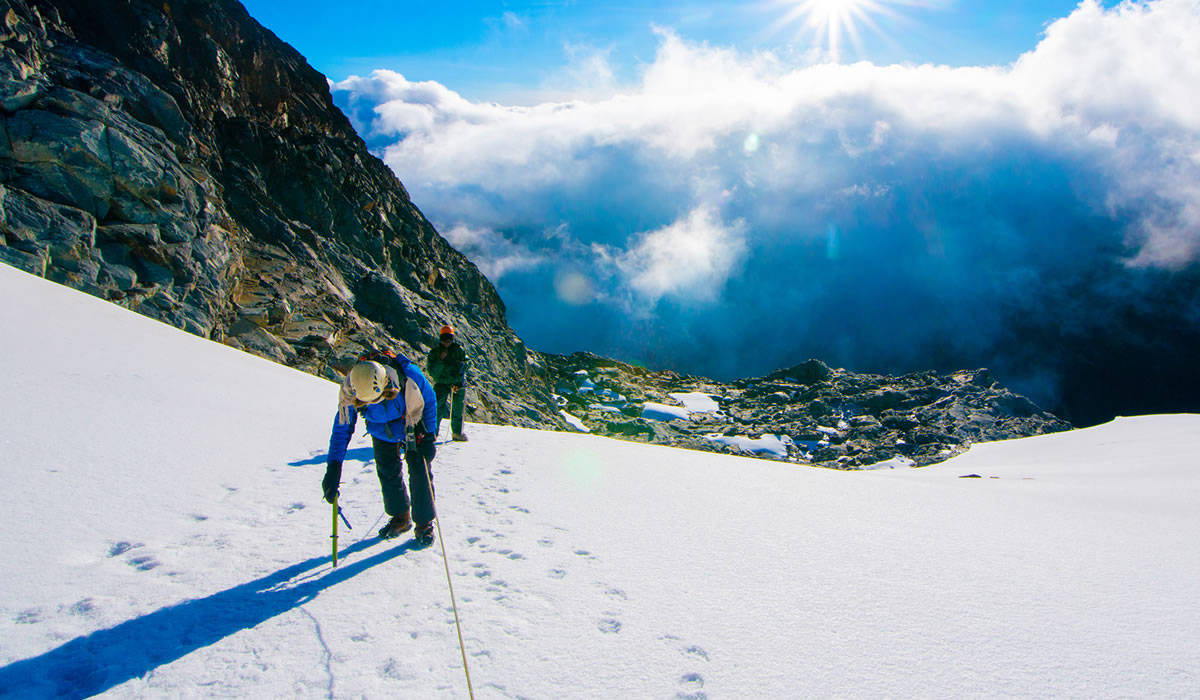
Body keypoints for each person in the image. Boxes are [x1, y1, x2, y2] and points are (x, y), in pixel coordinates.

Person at [322, 350, 440, 545]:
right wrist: (333, 467)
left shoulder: (408, 376)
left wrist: (429, 436)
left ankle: (424, 524)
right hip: (381, 430)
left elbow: (429, 400)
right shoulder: (351, 389)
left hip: (412, 422)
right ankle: (401, 517)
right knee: (387, 470)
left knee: (420, 470)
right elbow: (342, 428)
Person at [426, 325, 469, 442]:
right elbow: (432, 372)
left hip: (457, 383)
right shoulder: (435, 353)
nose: (447, 341)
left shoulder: (459, 350)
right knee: (437, 409)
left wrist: (461, 366)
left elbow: (467, 363)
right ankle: (433, 434)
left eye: (449, 338)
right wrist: (441, 360)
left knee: (458, 409)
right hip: (442, 384)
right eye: (445, 338)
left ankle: (457, 433)